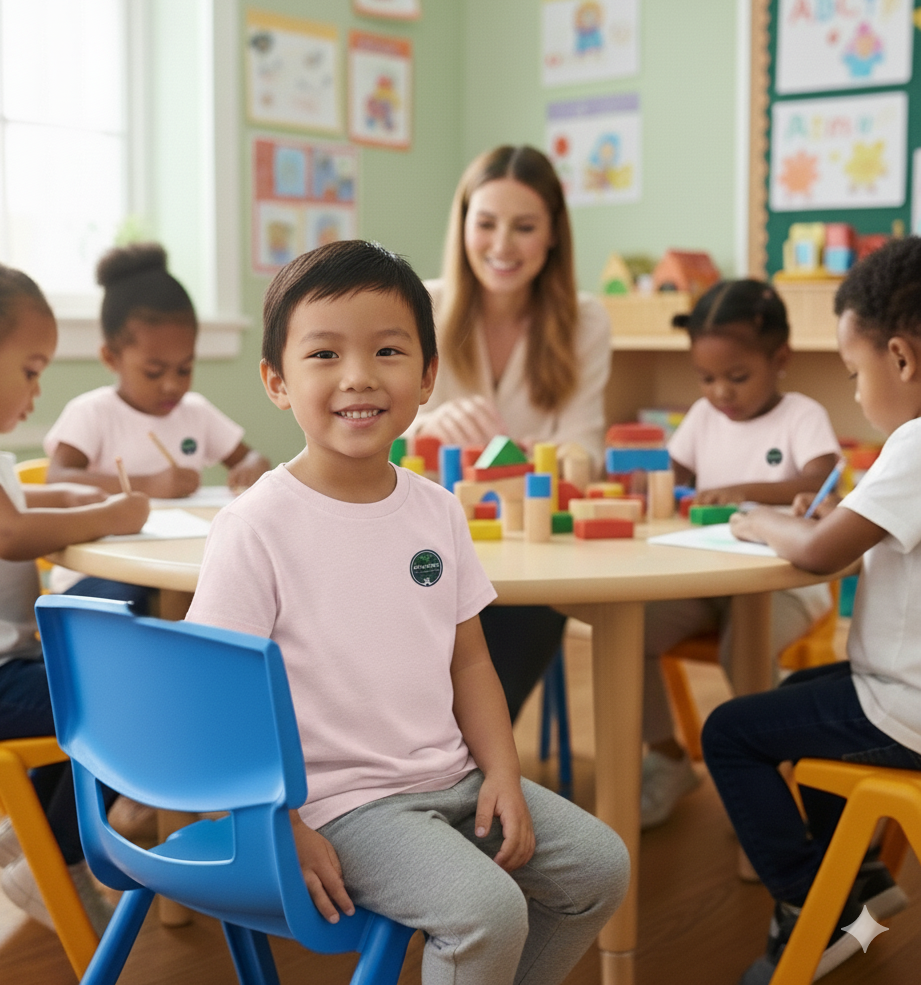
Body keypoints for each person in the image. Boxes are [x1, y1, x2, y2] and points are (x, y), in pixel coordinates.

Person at [187, 240, 629, 985]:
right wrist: (277, 822)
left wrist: (502, 771)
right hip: (336, 804)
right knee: (487, 911)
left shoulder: (437, 510)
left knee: (600, 869)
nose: (358, 376)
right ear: (276, 380)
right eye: (323, 354)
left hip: (448, 777)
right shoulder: (255, 524)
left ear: (427, 376)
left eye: (387, 351)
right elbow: (214, 697)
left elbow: (470, 660)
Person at [702, 237, 921, 984]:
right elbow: (852, 532)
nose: (855, 392)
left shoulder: (917, 443)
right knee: (795, 701)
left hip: (906, 708)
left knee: (730, 732)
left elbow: (822, 553)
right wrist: (813, 516)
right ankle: (860, 880)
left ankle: (811, 905)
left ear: (901, 358)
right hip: (896, 694)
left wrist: (759, 520)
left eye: (855, 371)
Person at [0, 255, 149, 932]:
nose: (36, 390)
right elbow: (3, 529)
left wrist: (83, 492)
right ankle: (54, 858)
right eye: (30, 370)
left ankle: (31, 836)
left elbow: (19, 493)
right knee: (131, 696)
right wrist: (108, 517)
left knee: (104, 649)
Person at [412, 145, 612, 721]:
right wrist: (427, 425)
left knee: (525, 611)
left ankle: (466, 776)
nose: (502, 246)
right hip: (427, 544)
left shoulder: (586, 320)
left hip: (524, 557)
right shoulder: (420, 304)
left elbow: (585, 449)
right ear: (463, 226)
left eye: (524, 227)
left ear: (553, 235)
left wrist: (538, 459)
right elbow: (377, 435)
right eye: (487, 224)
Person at [641, 280, 841, 828]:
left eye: (736, 377)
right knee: (631, 630)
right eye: (705, 379)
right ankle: (666, 756)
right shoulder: (704, 418)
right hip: (707, 581)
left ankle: (769, 782)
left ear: (780, 359)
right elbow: (670, 473)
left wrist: (744, 490)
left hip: (787, 585)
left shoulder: (801, 414)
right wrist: (649, 478)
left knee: (742, 652)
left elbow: (822, 478)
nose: (720, 394)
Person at [43, 242, 269, 606]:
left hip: (174, 562)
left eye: (185, 369)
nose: (172, 385)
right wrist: (149, 485)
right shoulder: (93, 413)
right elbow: (58, 478)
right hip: (99, 574)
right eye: (153, 371)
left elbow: (252, 457)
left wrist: (250, 468)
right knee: (148, 603)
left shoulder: (195, 412)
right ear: (110, 357)